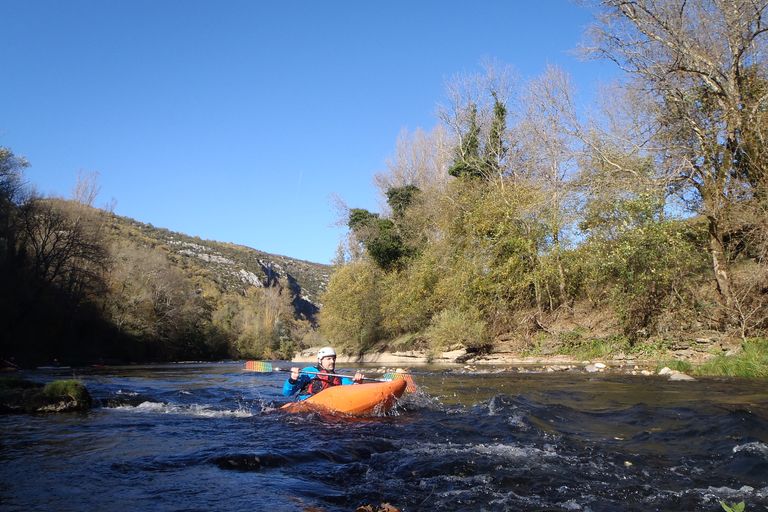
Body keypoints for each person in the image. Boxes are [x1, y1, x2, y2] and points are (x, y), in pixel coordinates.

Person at [282, 346, 364, 400]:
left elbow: (351, 390)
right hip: (306, 406)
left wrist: (357, 383)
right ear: (320, 360)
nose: (332, 361)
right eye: (328, 359)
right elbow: (287, 393)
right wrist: (293, 380)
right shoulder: (308, 371)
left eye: (333, 359)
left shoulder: (339, 378)